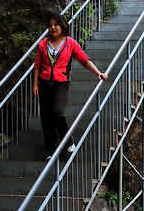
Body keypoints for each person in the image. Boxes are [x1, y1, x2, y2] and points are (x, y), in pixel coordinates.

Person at [32, 13, 108, 158]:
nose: (53, 28)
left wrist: (98, 73)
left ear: (62, 25)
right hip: (44, 84)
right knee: (45, 118)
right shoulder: (43, 44)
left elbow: (84, 60)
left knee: (58, 113)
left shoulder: (70, 43)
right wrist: (35, 84)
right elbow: (37, 65)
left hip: (61, 83)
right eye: (50, 25)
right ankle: (51, 150)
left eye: (56, 24)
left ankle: (68, 142)